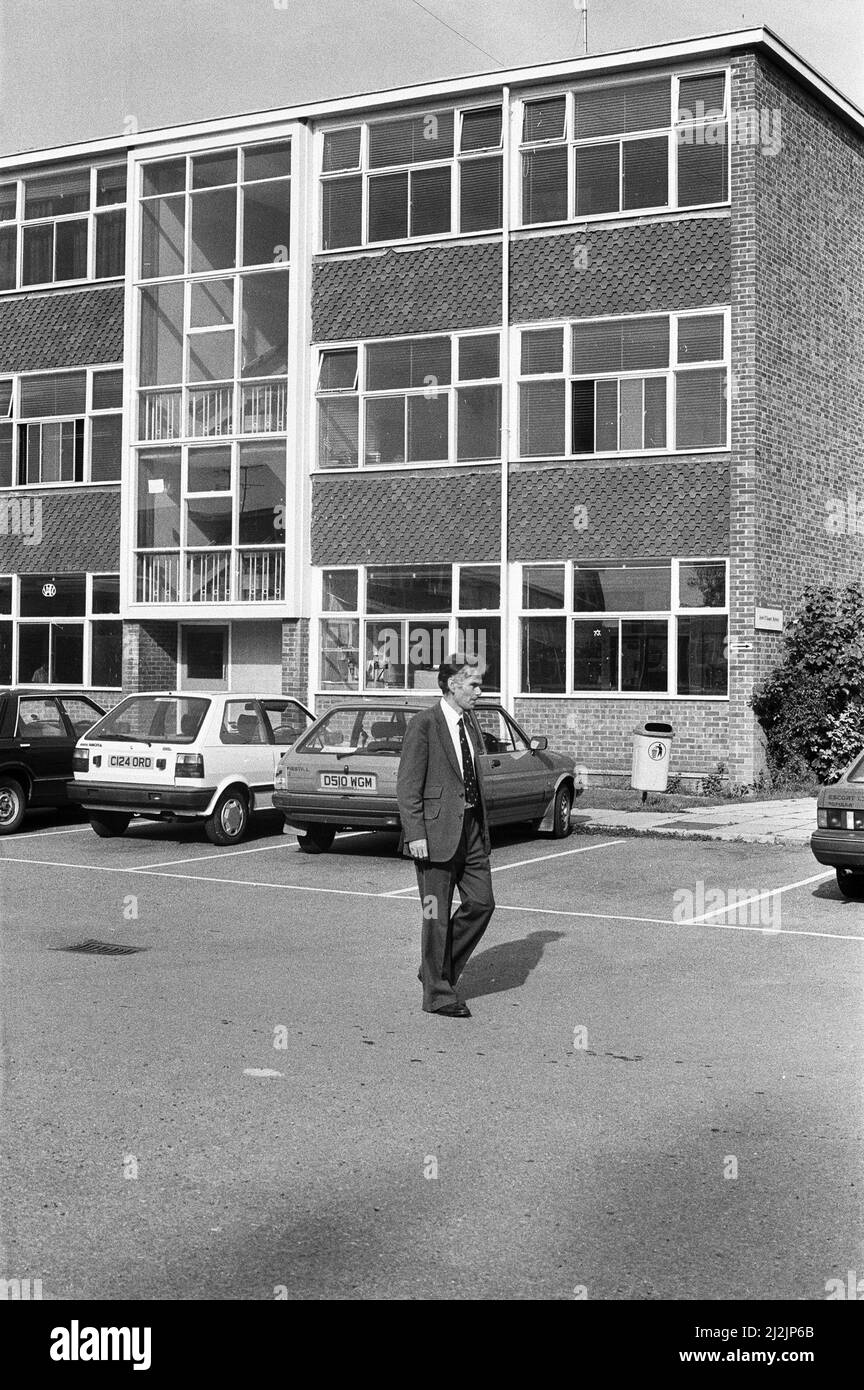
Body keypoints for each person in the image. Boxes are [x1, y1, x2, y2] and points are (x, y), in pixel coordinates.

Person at [396, 652, 495, 1018]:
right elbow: (407, 786)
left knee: (482, 903)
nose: (479, 691)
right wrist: (415, 833)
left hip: (469, 831)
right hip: (434, 836)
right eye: (473, 684)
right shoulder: (425, 724)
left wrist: (481, 831)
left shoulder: (468, 724)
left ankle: (434, 969)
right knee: (435, 915)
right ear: (453, 685)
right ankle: (437, 994)